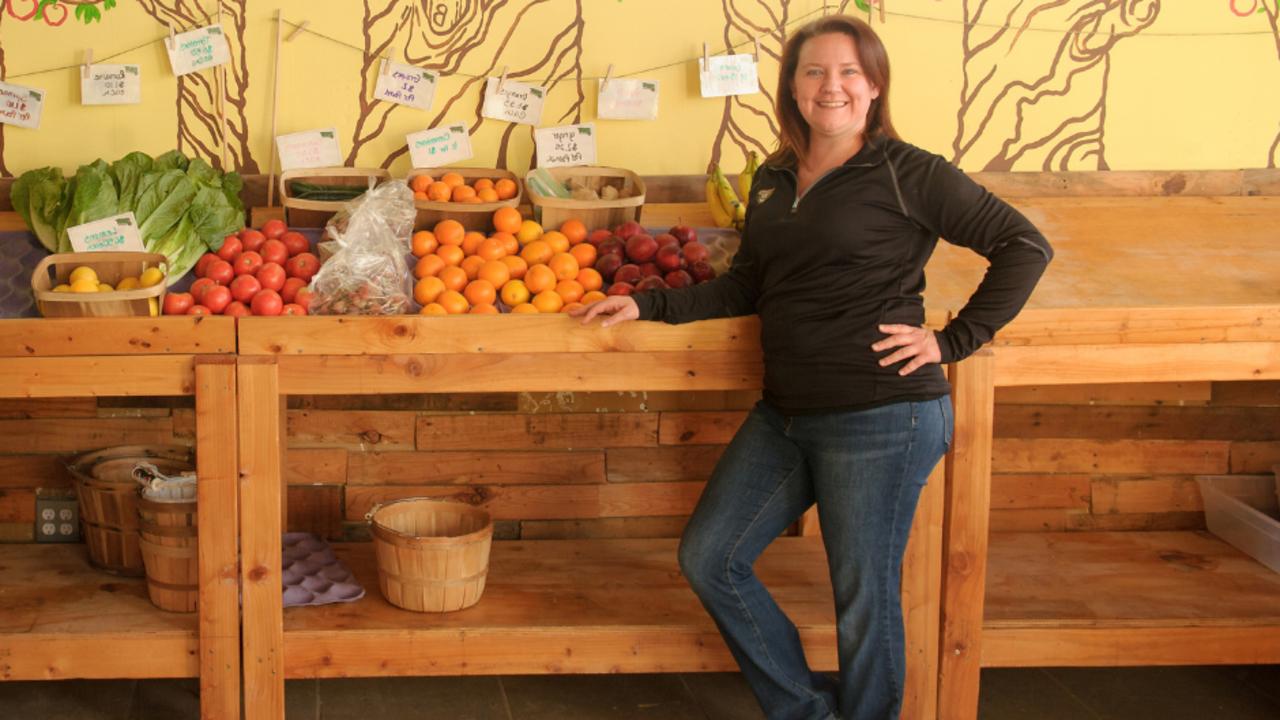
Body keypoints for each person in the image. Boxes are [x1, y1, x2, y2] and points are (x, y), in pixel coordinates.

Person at [571, 14, 1051, 720]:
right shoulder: (771, 177)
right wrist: (649, 308)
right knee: (710, 557)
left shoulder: (909, 172)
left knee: (862, 598)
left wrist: (953, 341)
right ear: (792, 87)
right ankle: (804, 710)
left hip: (882, 413)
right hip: (787, 412)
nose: (833, 86)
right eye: (815, 71)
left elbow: (1023, 244)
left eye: (850, 71)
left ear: (876, 85)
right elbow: (750, 285)